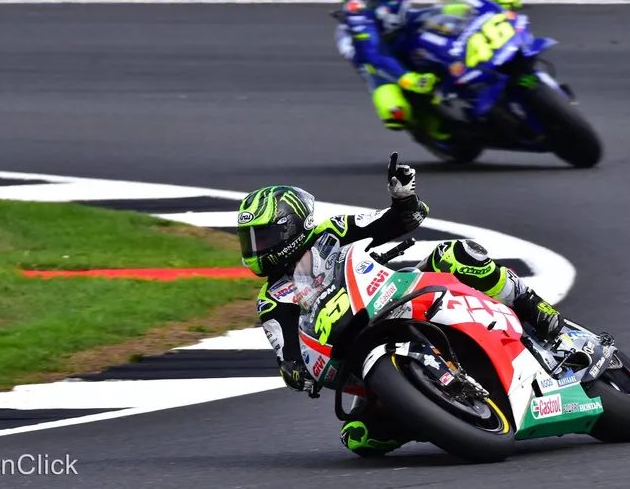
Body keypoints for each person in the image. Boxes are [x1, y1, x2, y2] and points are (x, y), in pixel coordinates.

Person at [238, 153, 563, 456]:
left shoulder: (333, 232)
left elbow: (401, 220)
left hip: (386, 296)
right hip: (349, 346)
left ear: (293, 227)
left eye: (263, 238)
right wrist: (297, 373)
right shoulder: (272, 298)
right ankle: (430, 414)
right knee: (359, 438)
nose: (255, 249)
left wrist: (403, 198)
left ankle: (528, 302)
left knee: (454, 255)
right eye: (249, 239)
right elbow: (288, 356)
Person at [335, 0, 523, 138]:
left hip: (405, 23)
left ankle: (471, 68)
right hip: (373, 48)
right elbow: (372, 50)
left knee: (458, 12)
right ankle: (425, 123)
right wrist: (406, 79)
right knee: (395, 113)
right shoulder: (356, 3)